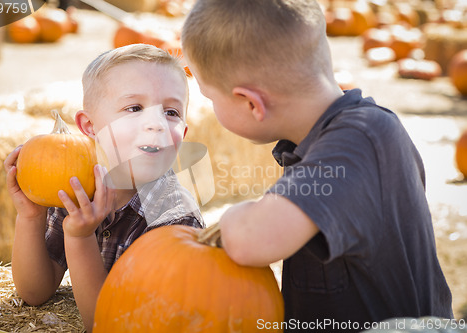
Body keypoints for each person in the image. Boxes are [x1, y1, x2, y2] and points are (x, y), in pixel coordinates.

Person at [181, 0, 453, 331]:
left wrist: (232, 218)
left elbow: (252, 239)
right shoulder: (318, 142)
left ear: (251, 103)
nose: (210, 107)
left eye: (210, 98)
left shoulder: (359, 142)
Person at [4, 44, 204, 332]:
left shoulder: (174, 222)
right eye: (134, 108)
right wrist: (30, 217)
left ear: (183, 133)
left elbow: (107, 325)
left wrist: (79, 237)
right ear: (89, 126)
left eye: (171, 112)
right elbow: (34, 292)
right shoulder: (75, 190)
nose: (156, 123)